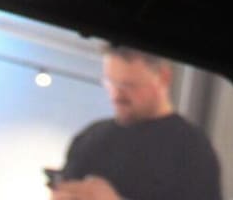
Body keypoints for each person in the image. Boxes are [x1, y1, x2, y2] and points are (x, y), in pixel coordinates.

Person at [50, 46, 222, 200]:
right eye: (111, 82)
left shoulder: (191, 147)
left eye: (128, 85)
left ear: (163, 77)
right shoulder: (90, 138)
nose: (116, 96)